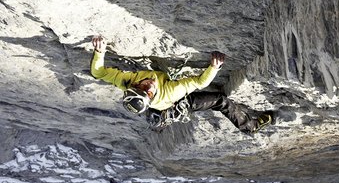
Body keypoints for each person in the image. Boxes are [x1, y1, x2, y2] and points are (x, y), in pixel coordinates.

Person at [90, 36, 272, 134]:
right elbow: (200, 82)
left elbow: (98, 73)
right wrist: (214, 67)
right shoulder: (171, 91)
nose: (150, 87)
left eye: (144, 87)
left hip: (157, 107)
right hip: (179, 103)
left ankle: (158, 122)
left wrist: (99, 51)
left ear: (135, 85)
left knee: (156, 115)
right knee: (220, 100)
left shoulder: (125, 81)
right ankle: (250, 127)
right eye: (149, 92)